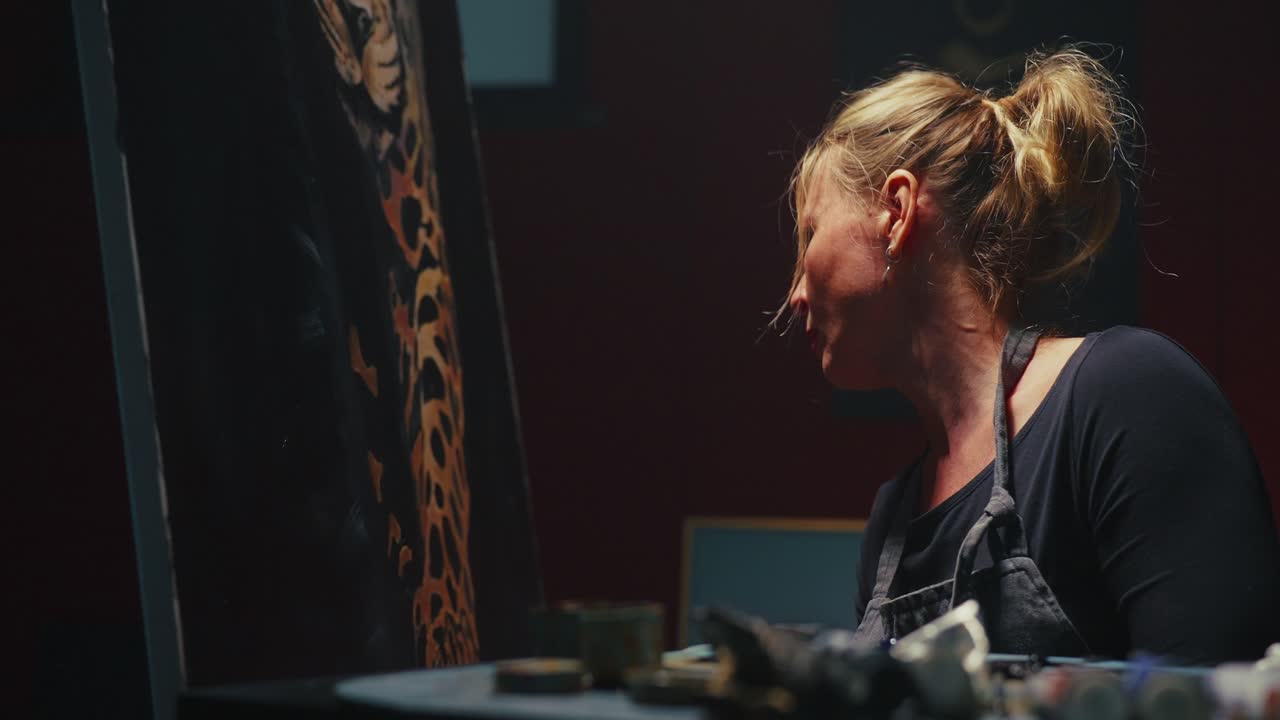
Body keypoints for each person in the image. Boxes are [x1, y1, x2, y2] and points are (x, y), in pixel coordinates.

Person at [781, 47, 1280, 664]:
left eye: (810, 232)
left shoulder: (1127, 396)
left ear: (897, 212)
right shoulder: (895, 519)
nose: (796, 292)